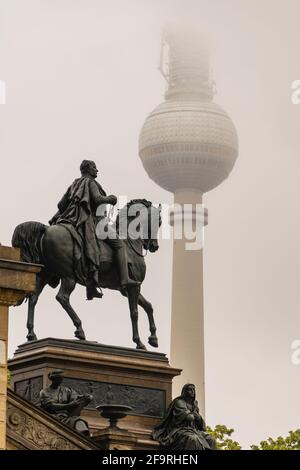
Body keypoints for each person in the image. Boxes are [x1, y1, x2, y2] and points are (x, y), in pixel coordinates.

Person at [49, 160, 139, 300]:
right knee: (120, 244)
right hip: (96, 222)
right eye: (94, 168)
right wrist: (110, 199)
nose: (97, 170)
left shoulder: (74, 184)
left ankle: (91, 285)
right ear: (88, 169)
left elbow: (61, 204)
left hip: (73, 219)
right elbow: (97, 200)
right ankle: (125, 279)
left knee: (95, 248)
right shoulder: (91, 183)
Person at [152, 383, 216, 450]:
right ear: (184, 391)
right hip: (180, 430)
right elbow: (188, 417)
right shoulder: (179, 402)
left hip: (193, 430)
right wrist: (193, 415)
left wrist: (198, 418)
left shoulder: (194, 404)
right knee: (193, 439)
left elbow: (200, 424)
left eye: (193, 389)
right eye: (189, 390)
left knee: (211, 439)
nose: (192, 391)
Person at [40, 369, 92, 436]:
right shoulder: (44, 392)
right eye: (59, 379)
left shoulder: (66, 390)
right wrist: (68, 405)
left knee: (78, 421)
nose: (61, 381)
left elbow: (75, 398)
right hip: (51, 418)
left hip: (65, 418)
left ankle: (84, 440)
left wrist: (85, 397)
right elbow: (51, 405)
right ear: (53, 379)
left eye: (61, 379)